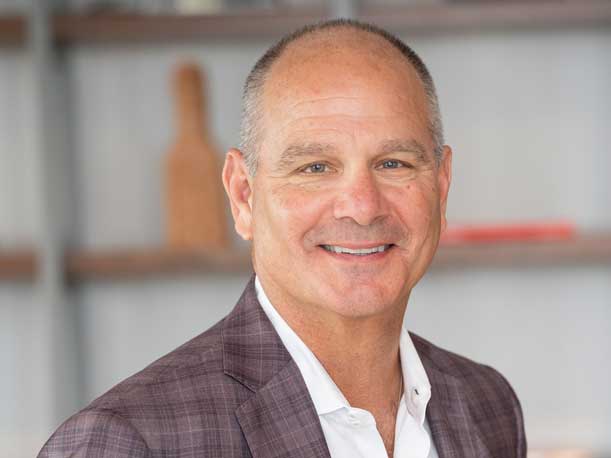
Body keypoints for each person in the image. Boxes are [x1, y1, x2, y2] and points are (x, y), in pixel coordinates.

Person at [39, 19, 527, 458]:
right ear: (243, 195)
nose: (361, 207)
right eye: (315, 168)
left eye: (393, 163)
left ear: (441, 187)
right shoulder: (125, 442)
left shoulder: (487, 404)